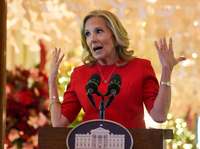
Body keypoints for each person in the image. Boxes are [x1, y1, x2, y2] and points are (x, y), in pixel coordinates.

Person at [48, 9, 186, 128]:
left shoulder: (141, 68)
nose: (92, 39)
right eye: (87, 34)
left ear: (115, 35)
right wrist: (52, 81)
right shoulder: (79, 74)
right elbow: (59, 123)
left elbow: (159, 116)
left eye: (99, 31)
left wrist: (166, 71)